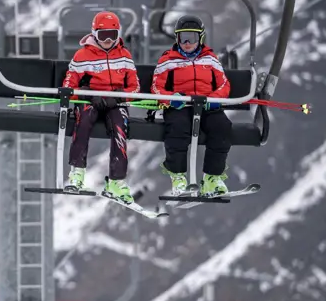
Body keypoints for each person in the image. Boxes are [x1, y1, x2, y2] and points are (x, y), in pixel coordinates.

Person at [62, 11, 140, 203]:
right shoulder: (82, 56)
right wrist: (87, 93)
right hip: (90, 101)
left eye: (112, 36)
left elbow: (135, 87)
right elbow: (68, 85)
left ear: (118, 34)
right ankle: (77, 173)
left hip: (115, 102)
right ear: (94, 33)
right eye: (102, 35)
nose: (107, 40)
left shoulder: (124, 56)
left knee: (120, 129)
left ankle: (116, 181)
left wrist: (118, 98)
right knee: (84, 120)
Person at [150, 14, 232, 196]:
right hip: (181, 105)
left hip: (206, 104)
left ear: (200, 38)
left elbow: (224, 84)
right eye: (182, 38)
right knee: (178, 128)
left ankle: (212, 178)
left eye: (192, 38)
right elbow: (156, 87)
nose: (187, 43)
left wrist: (214, 99)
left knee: (222, 127)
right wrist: (171, 98)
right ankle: (178, 176)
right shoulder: (168, 60)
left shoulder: (210, 59)